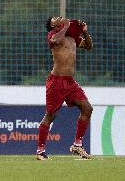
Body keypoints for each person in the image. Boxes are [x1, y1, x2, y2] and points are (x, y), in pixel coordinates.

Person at [36, 17, 93, 160]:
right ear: (52, 25)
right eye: (56, 18)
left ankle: (77, 145)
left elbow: (89, 46)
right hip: (57, 81)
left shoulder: (72, 37)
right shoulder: (53, 35)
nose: (60, 18)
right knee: (50, 116)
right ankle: (40, 151)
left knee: (87, 108)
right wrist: (66, 26)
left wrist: (84, 31)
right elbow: (55, 41)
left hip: (70, 82)